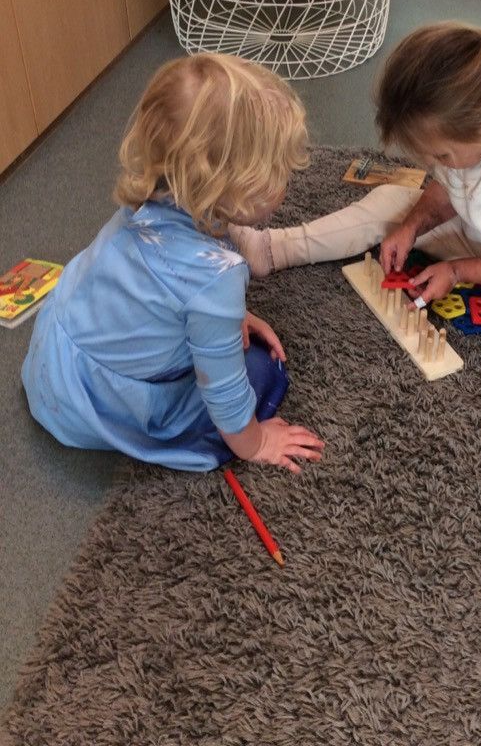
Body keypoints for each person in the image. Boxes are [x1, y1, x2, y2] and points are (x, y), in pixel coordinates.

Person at [231, 13, 481, 536]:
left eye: (441, 154)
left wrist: (455, 269)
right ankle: (273, 248)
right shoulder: (470, 130)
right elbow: (447, 187)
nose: (436, 162)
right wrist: (413, 223)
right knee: (387, 203)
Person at [22, 53, 325, 474]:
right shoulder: (216, 277)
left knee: (234, 341)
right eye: (277, 170)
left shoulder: (152, 196)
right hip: (96, 403)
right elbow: (223, 390)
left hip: (55, 356)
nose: (288, 180)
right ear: (229, 184)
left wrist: (230, 317)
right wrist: (256, 443)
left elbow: (157, 286)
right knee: (262, 370)